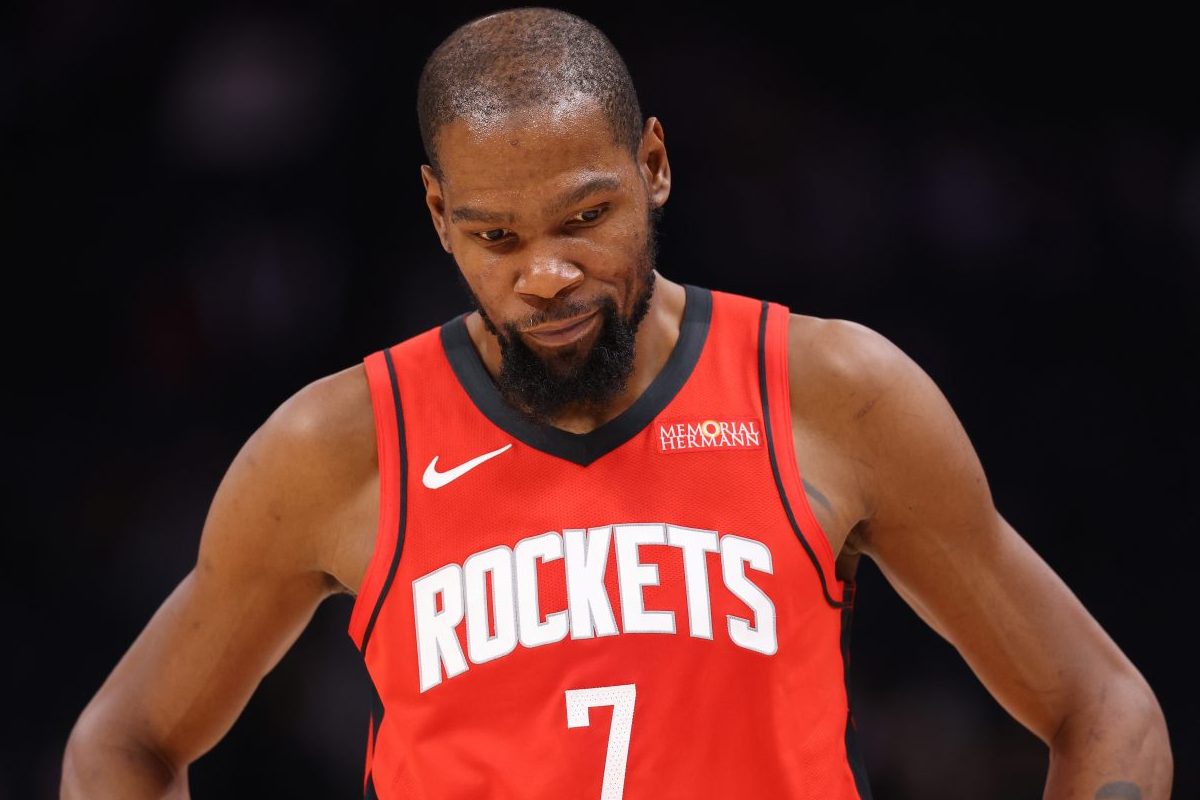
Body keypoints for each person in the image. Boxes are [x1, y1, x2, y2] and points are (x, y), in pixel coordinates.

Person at [62, 6, 1171, 799]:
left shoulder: (831, 391)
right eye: (497, 236)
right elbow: (126, 741)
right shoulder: (338, 445)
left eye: (584, 219)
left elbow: (1105, 707)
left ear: (654, 165)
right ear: (439, 216)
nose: (545, 274)